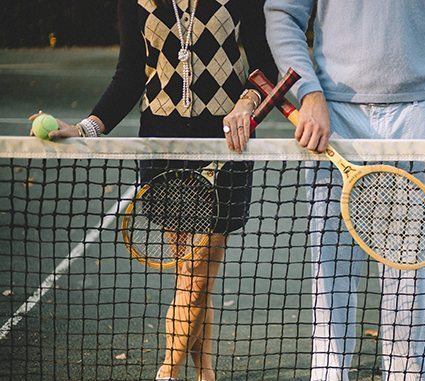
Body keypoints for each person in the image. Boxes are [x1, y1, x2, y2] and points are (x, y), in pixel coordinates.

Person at [29, 1, 277, 380]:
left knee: (195, 274)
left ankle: (167, 372)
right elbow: (129, 74)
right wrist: (84, 129)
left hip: (226, 147)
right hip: (163, 148)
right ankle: (205, 371)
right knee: (192, 276)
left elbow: (265, 65)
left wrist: (247, 103)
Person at [261, 1, 425, 380]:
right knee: (331, 280)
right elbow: (282, 13)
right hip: (335, 119)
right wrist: (310, 94)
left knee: (408, 286)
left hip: (419, 118)